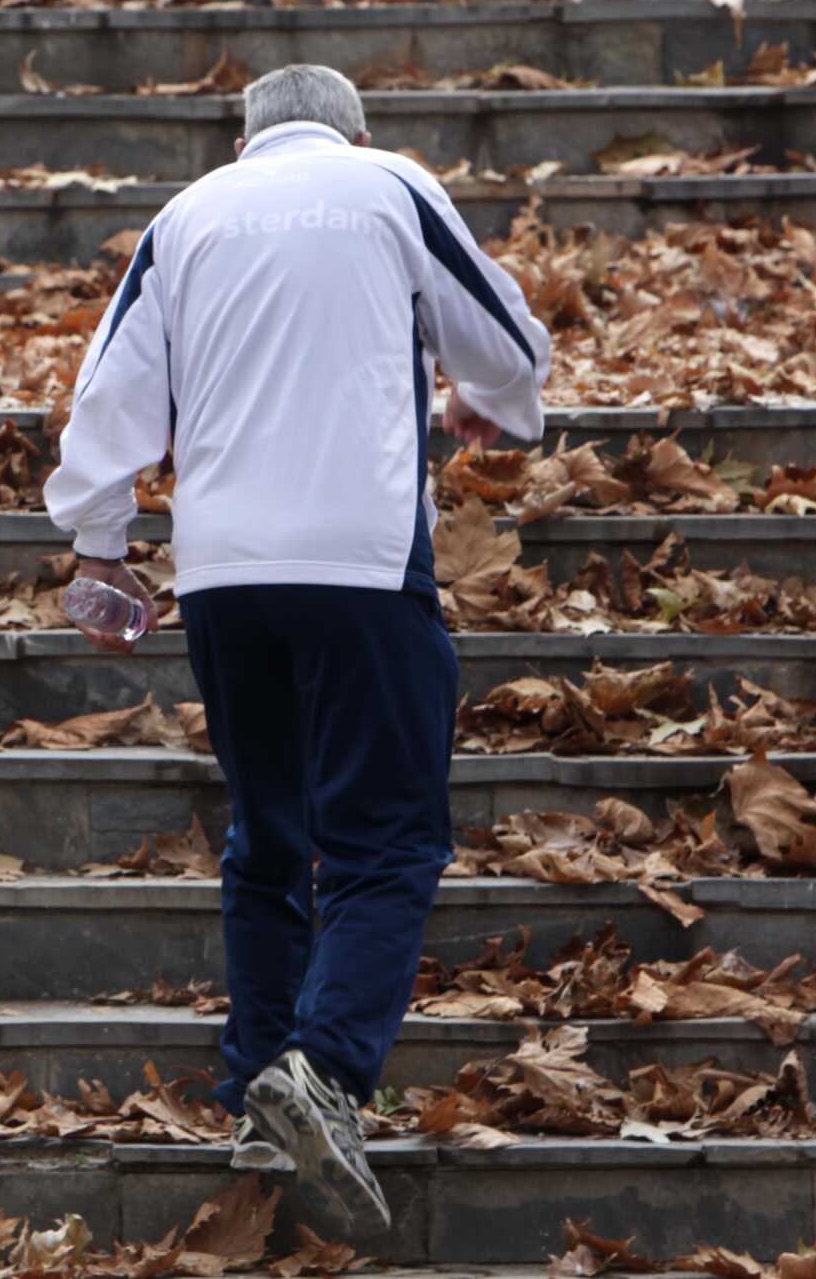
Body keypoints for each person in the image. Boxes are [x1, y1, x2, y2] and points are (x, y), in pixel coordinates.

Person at [42, 63, 550, 1225]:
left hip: (223, 568)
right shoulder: (388, 185)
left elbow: (112, 393)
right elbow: (505, 341)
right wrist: (498, 407)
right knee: (385, 838)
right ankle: (322, 1072)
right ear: (356, 129)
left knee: (270, 838)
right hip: (360, 559)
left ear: (243, 138)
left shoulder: (186, 217)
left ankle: (251, 1085)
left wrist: (99, 545)